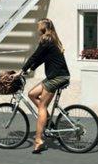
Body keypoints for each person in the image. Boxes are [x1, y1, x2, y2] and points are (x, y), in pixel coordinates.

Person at [18, 19, 70, 154]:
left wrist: (21, 70)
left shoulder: (46, 39)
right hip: (56, 76)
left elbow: (35, 56)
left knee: (42, 106)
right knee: (32, 94)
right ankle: (46, 119)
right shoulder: (52, 39)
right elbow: (42, 58)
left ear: (43, 28)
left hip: (57, 77)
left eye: (38, 27)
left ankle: (38, 140)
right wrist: (30, 69)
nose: (37, 29)